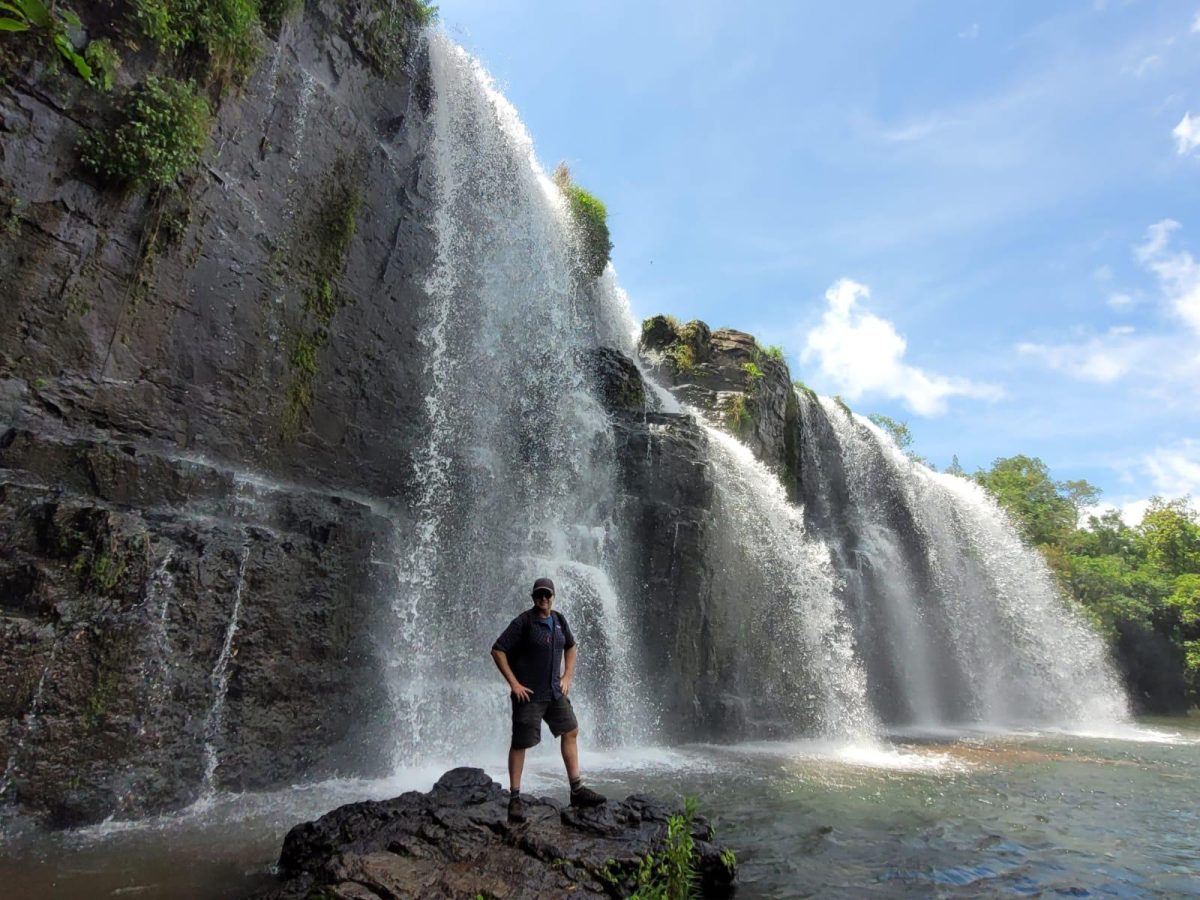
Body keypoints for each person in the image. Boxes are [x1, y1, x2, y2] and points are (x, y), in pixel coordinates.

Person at [490, 576, 606, 822]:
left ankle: (577, 789)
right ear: (533, 597)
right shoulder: (524, 622)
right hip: (529, 695)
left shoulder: (559, 620)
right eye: (539, 595)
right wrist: (514, 683)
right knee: (520, 743)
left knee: (571, 730)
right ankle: (515, 798)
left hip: (554, 691)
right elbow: (498, 649)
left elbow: (571, 647)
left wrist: (567, 676)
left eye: (547, 595)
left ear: (553, 597)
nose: (544, 598)